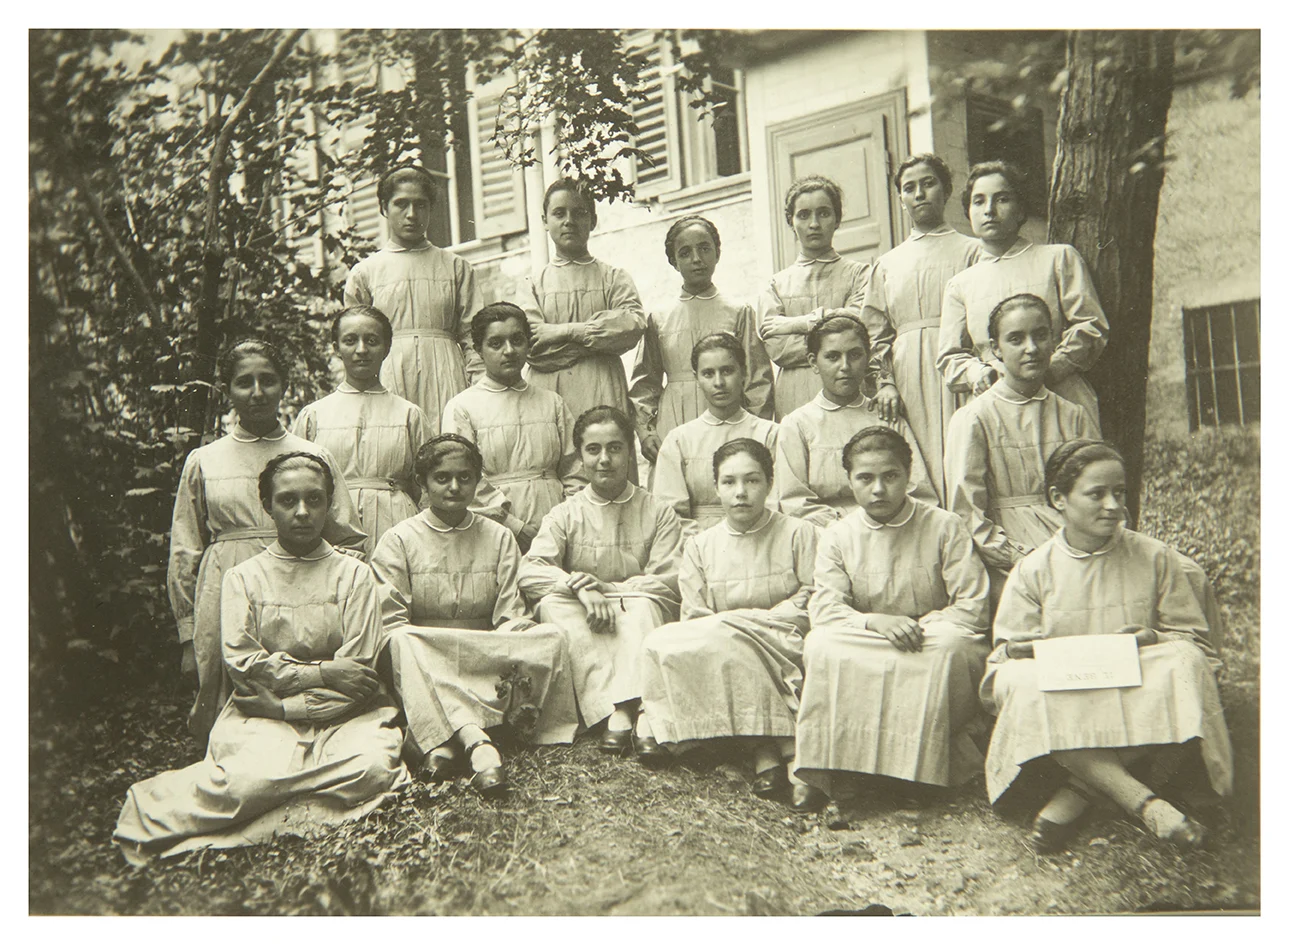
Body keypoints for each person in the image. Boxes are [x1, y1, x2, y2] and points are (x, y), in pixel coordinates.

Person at [116, 452, 406, 864]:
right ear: (267, 506)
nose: (302, 512)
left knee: (372, 768)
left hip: (345, 713)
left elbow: (358, 676)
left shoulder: (355, 574)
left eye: (314, 499)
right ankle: (294, 806)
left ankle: (271, 810)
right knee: (247, 781)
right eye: (288, 500)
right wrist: (325, 672)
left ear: (329, 504)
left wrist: (287, 707)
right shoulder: (243, 578)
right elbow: (245, 665)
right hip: (260, 715)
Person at [980, 440, 1234, 853]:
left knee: (1185, 661)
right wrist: (1023, 649)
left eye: (1119, 492)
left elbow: (1193, 640)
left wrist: (1152, 637)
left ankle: (1079, 791)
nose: (1113, 505)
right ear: (1058, 499)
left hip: (1136, 682)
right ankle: (1146, 804)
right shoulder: (1033, 570)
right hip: (1070, 689)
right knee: (1020, 681)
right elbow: (1004, 655)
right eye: (1097, 494)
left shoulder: (1155, 557)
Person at [168, 339, 366, 744]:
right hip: (224, 585)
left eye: (268, 380)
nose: (257, 393)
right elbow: (185, 548)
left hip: (304, 587)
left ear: (283, 385)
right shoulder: (204, 460)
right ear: (227, 390)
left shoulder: (311, 455)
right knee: (232, 698)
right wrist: (188, 633)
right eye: (244, 382)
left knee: (304, 694)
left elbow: (347, 537)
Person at [792, 428, 991, 812]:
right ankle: (839, 768)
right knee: (820, 644)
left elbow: (973, 604)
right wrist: (876, 623)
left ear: (908, 475)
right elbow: (826, 607)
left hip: (929, 636)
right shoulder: (837, 535)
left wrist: (921, 627)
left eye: (890, 476)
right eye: (865, 478)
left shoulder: (944, 525)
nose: (879, 489)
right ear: (850, 480)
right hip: (868, 634)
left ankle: (917, 774)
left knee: (951, 648)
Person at [373, 435, 580, 797]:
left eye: (465, 477)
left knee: (551, 637)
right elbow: (391, 620)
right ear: (422, 482)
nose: (454, 487)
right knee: (402, 640)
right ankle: (477, 742)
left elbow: (510, 613)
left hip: (482, 651)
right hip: (429, 652)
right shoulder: (398, 539)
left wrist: (516, 634)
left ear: (477, 481)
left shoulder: (499, 537)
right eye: (442, 478)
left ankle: (444, 740)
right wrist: (429, 644)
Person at [639, 439, 817, 793]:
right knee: (660, 640)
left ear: (770, 483)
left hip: (783, 643)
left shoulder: (799, 533)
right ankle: (772, 745)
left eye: (752, 480)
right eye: (729, 482)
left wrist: (744, 624)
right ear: (716, 487)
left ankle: (779, 751)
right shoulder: (700, 546)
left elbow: (814, 595)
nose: (741, 493)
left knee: (726, 634)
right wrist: (736, 629)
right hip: (722, 646)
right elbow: (696, 615)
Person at [518, 406, 684, 754]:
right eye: (593, 450)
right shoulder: (565, 513)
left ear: (630, 452)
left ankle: (633, 710)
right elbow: (531, 570)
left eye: (615, 448)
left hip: (634, 604)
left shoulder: (657, 510)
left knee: (645, 608)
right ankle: (620, 708)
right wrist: (580, 589)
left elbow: (668, 578)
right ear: (580, 457)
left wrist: (610, 590)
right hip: (586, 609)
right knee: (553, 607)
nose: (605, 459)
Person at [943, 294, 1099, 601]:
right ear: (996, 348)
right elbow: (967, 514)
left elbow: (1096, 490)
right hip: (1007, 554)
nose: (1032, 348)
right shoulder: (974, 418)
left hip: (1072, 541)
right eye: (1016, 339)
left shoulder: (1072, 415)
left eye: (1040, 336)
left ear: (1054, 340)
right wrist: (1019, 557)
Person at [937, 161, 1109, 424]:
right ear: (969, 212)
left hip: (1060, 394)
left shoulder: (1058, 259)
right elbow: (950, 357)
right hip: (997, 404)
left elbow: (1090, 326)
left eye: (1002, 199)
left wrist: (1050, 369)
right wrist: (978, 374)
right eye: (979, 201)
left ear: (1020, 210)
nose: (989, 210)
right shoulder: (961, 285)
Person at [860, 154, 981, 503]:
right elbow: (875, 332)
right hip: (907, 373)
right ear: (901, 199)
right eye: (909, 188)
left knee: (963, 453)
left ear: (946, 189)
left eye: (928, 184)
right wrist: (885, 382)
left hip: (959, 365)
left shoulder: (972, 251)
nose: (920, 194)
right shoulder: (887, 263)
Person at [524, 179, 646, 481]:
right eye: (559, 213)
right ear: (545, 221)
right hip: (551, 390)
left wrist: (564, 332)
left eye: (579, 213)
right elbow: (533, 345)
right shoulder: (533, 284)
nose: (569, 221)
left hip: (602, 385)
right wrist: (597, 341)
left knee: (609, 468)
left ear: (593, 220)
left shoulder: (613, 278)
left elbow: (631, 325)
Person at [630, 215, 774, 469]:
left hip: (730, 416)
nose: (696, 259)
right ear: (674, 261)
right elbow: (645, 383)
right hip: (675, 415)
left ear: (717, 253)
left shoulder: (738, 312)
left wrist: (752, 429)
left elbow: (757, 379)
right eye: (685, 253)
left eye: (704, 249)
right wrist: (646, 431)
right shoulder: (660, 318)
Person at [343, 164, 478, 433]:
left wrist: (477, 388)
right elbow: (353, 342)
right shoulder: (365, 272)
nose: (412, 214)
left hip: (446, 373)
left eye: (421, 205)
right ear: (384, 207)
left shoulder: (455, 267)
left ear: (430, 209)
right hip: (388, 376)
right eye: (401, 204)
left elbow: (473, 336)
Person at [441, 301, 585, 552]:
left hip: (557, 524)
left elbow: (575, 469)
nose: (509, 351)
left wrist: (564, 521)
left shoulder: (552, 402)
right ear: (479, 349)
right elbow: (464, 477)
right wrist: (513, 526)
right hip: (493, 529)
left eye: (517, 340)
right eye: (496, 343)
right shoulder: (462, 407)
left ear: (528, 344)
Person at [292, 305, 431, 557]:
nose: (362, 350)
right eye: (350, 341)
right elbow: (297, 482)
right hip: (331, 529)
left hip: (397, 524)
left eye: (372, 341)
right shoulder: (314, 415)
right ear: (336, 348)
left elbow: (425, 487)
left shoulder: (409, 414)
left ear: (387, 348)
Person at [777, 315, 935, 528]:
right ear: (814, 362)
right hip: (826, 534)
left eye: (854, 355)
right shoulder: (797, 425)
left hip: (891, 530)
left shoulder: (886, 418)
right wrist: (847, 531)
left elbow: (919, 492)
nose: (845, 366)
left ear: (868, 357)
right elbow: (795, 502)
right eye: (833, 357)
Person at [757, 175, 883, 419]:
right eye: (804, 215)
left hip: (851, 389)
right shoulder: (776, 285)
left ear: (837, 219)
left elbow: (861, 326)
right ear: (791, 221)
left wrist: (797, 324)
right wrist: (836, 343)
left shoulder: (861, 275)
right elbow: (776, 348)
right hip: (796, 393)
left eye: (824, 213)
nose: (814, 224)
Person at [652, 333, 781, 536]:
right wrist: (708, 545)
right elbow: (671, 514)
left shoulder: (770, 434)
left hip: (761, 537)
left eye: (727, 371)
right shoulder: (679, 440)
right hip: (696, 543)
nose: (719, 382)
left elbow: (777, 504)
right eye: (708, 374)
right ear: (697, 378)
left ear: (744, 373)